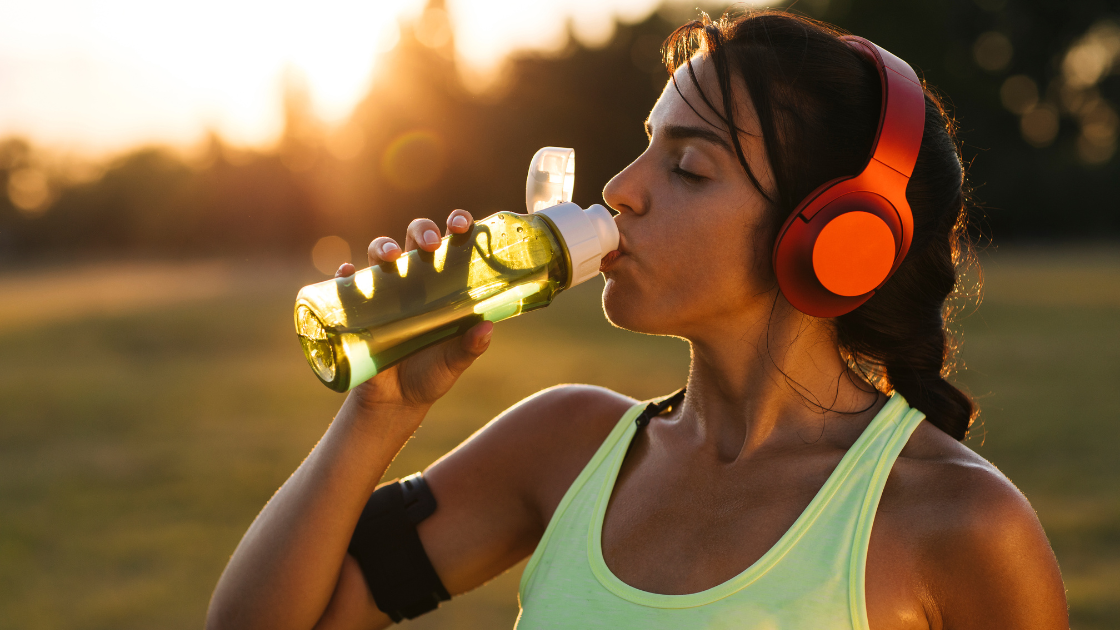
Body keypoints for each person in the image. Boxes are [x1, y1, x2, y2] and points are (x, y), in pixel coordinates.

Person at [207, 10, 1068, 630]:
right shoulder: (563, 445)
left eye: (689, 167)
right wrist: (377, 414)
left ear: (834, 240)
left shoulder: (957, 523)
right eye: (648, 141)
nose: (622, 187)